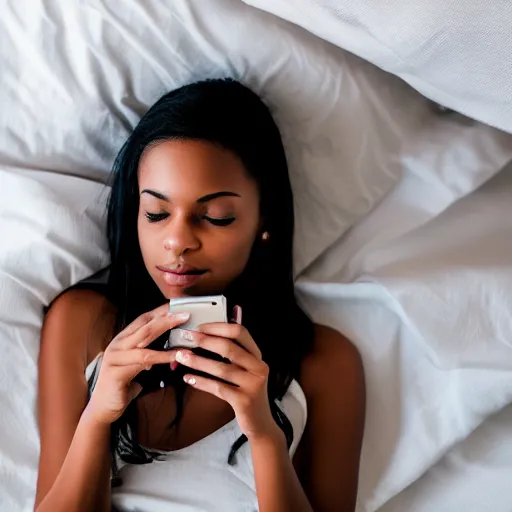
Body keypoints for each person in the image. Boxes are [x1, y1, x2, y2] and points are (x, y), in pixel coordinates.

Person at [35, 78, 365, 512]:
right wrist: (98, 417)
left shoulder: (325, 363)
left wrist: (264, 434)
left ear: (263, 218)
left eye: (215, 217)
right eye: (155, 213)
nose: (177, 241)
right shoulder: (84, 322)